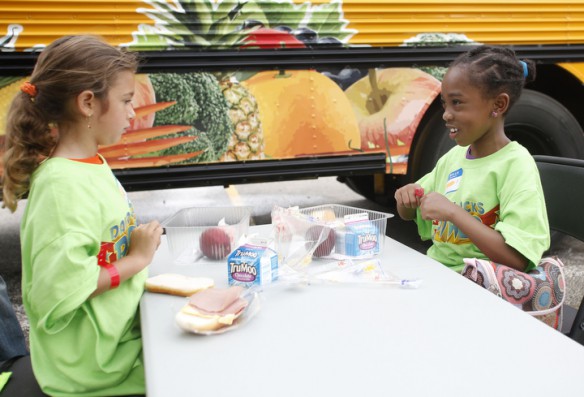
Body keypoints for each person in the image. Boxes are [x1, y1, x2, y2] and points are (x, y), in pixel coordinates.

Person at [1, 35, 163, 396]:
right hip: (91, 369)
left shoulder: (91, 163)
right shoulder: (60, 186)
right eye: (124, 101)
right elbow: (61, 289)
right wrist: (137, 259)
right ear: (88, 103)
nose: (133, 112)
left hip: (116, 341)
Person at [394, 45, 550, 273]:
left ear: (498, 105)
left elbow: (518, 259)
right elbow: (409, 213)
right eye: (444, 104)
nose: (446, 114)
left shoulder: (516, 165)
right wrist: (405, 198)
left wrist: (453, 213)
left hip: (483, 289)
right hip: (440, 275)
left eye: (456, 103)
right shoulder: (453, 158)